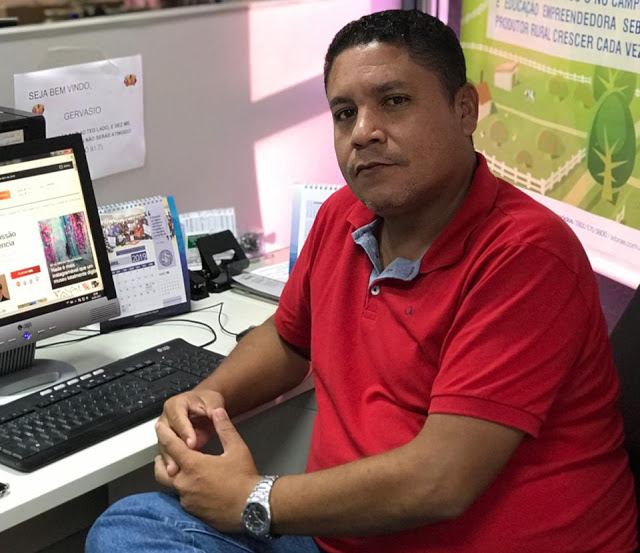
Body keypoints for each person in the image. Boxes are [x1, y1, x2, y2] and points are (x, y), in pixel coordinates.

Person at [86, 9, 637, 553]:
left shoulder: (526, 255)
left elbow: (441, 481)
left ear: (464, 109)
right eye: (344, 113)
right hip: (347, 536)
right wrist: (211, 394)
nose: (363, 133)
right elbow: (287, 337)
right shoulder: (342, 217)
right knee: (129, 526)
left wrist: (254, 499)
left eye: (393, 101)